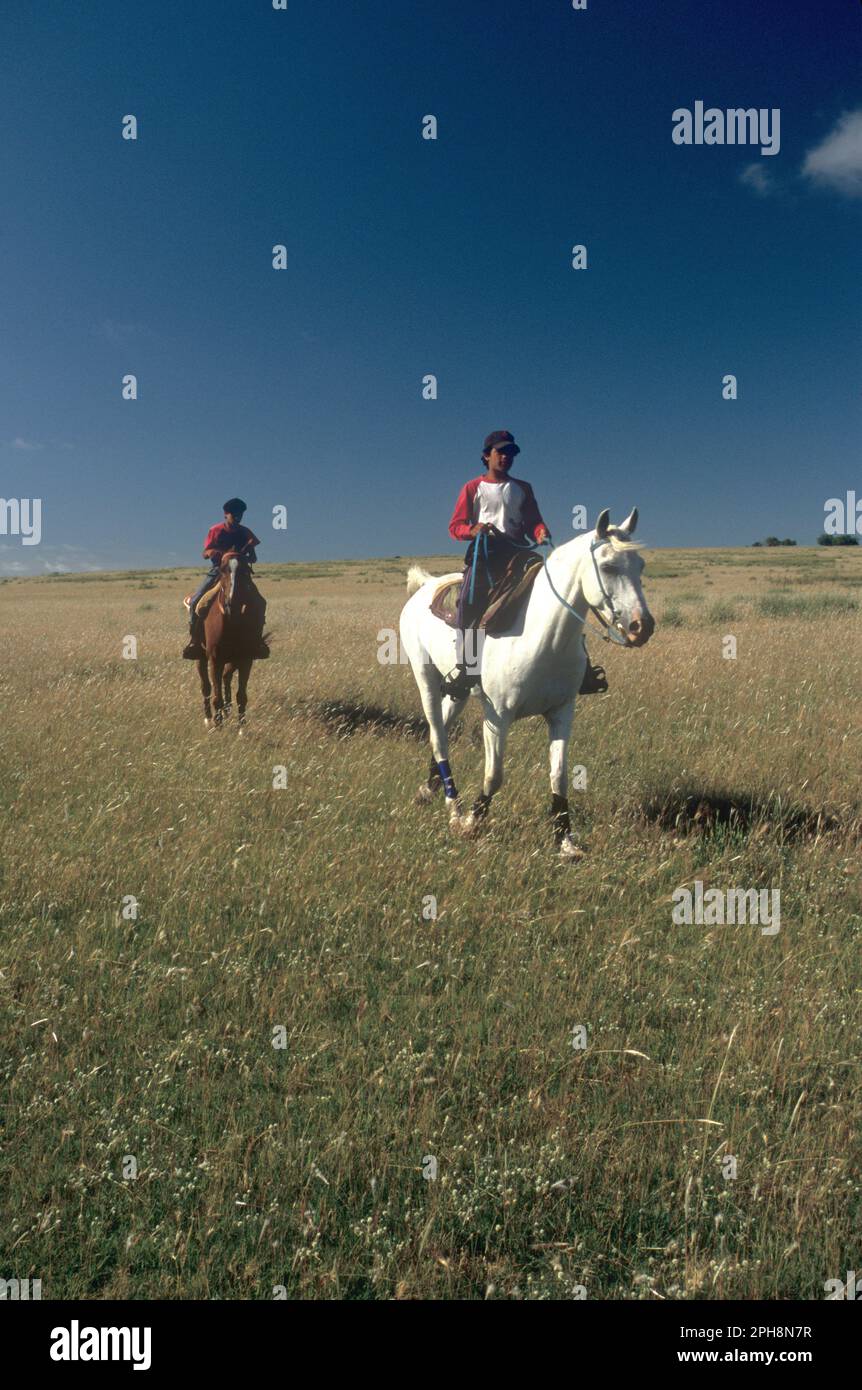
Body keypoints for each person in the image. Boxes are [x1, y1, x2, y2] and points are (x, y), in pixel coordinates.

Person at [440, 430, 606, 698]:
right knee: (468, 605)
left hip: (517, 553)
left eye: (510, 453)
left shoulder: (523, 488)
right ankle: (466, 669)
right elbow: (455, 526)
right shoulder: (473, 487)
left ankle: (582, 667)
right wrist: (473, 530)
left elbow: (533, 520)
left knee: (558, 594)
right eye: (500, 452)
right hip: (485, 553)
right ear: (487, 455)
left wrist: (540, 531)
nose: (506, 457)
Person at [182, 498, 269, 659]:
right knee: (196, 602)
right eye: (234, 514)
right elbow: (205, 553)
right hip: (218, 572)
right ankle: (194, 641)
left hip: (240, 573)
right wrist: (214, 553)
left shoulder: (245, 532)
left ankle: (257, 642)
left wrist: (244, 556)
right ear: (226, 514)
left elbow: (254, 558)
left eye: (240, 514)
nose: (237, 517)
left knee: (260, 602)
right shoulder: (216, 530)